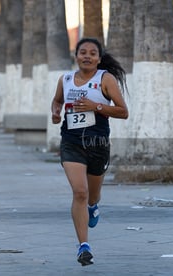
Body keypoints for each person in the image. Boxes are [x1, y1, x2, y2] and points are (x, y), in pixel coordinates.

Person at [51, 38, 129, 266]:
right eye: (82, 52)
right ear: (75, 55)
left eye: (92, 53)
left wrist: (95, 106)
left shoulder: (105, 79)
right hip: (71, 142)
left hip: (97, 143)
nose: (87, 56)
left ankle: (94, 207)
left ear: (98, 58)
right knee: (80, 193)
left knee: (92, 196)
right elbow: (56, 102)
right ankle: (83, 246)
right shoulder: (65, 80)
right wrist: (56, 114)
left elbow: (123, 112)